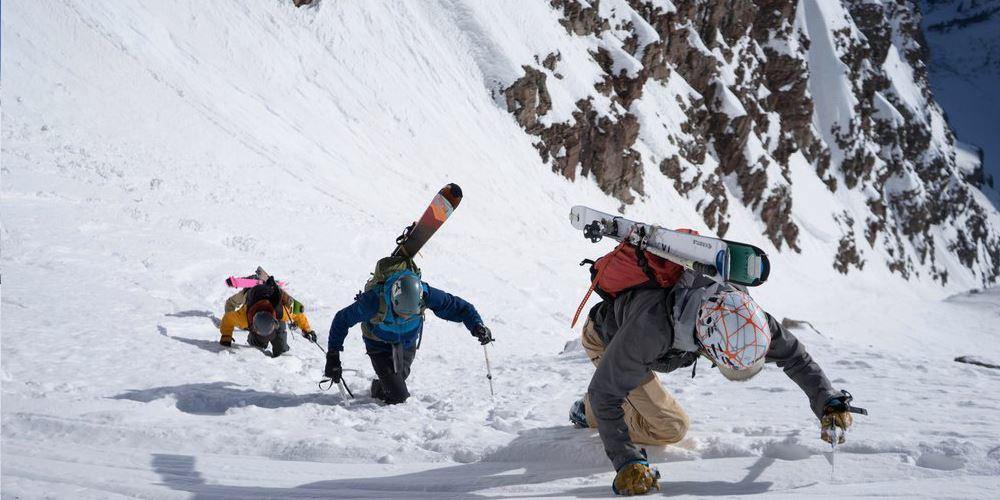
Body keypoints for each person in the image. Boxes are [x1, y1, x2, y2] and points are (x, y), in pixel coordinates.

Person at [572, 270, 858, 496]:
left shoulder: (744, 317)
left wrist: (828, 402)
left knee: (635, 395)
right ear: (708, 344)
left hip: (643, 350)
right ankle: (587, 413)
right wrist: (628, 462)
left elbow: (794, 356)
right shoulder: (650, 330)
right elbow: (605, 392)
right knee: (671, 427)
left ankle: (610, 403)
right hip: (607, 340)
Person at [324, 257, 493, 404]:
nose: (405, 316)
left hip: (407, 341)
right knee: (398, 396)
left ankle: (383, 384)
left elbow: (459, 307)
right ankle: (383, 387)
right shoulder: (374, 300)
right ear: (393, 300)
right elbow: (342, 319)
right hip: (378, 343)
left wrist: (477, 326)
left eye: (410, 314)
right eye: (402, 313)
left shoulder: (424, 293)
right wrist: (333, 355)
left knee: (400, 377)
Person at [219, 276, 316, 357]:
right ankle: (255, 339)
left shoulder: (280, 311)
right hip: (252, 295)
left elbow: (298, 315)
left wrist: (307, 330)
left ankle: (280, 351)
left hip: (272, 311)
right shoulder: (244, 317)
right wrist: (226, 336)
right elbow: (228, 318)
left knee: (281, 349)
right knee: (256, 347)